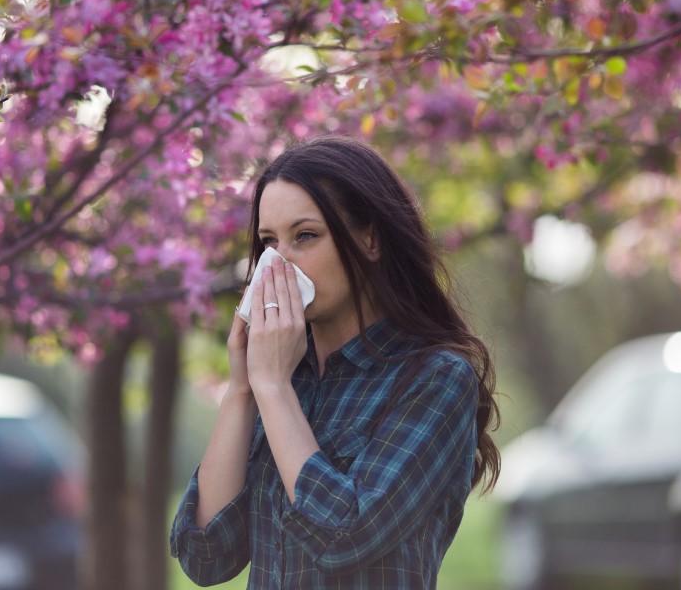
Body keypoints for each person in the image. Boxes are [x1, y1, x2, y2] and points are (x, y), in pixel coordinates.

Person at [170, 135, 500, 589]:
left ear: (370, 240)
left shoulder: (434, 378)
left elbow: (346, 537)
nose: (278, 265)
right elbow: (204, 556)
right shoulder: (283, 378)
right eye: (269, 243)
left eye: (304, 236)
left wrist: (273, 390)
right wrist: (244, 388)